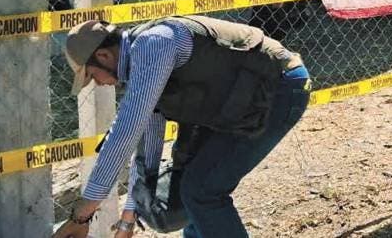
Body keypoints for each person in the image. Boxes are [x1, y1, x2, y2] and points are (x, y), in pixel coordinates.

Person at [52, 15, 310, 238]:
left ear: (104, 55)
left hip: (281, 88)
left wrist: (82, 215)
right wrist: (128, 219)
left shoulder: (154, 44)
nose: (97, 84)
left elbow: (124, 134)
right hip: (237, 101)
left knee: (202, 192)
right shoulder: (143, 69)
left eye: (92, 76)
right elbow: (145, 152)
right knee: (189, 190)